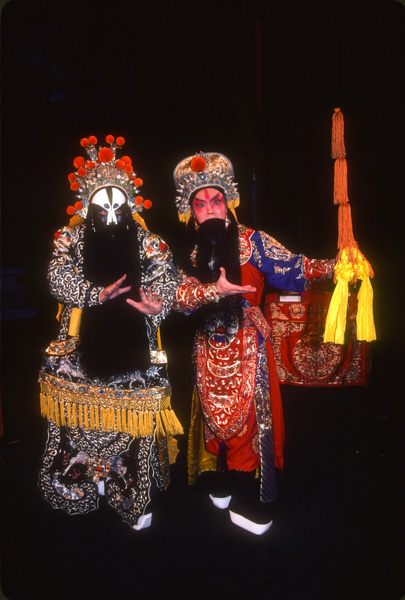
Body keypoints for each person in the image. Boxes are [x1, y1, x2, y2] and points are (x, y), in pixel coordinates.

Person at [171, 151, 334, 535]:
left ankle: (250, 496)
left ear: (228, 201)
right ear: (190, 210)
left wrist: (336, 265)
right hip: (207, 347)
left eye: (216, 200)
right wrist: (210, 292)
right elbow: (178, 296)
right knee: (213, 419)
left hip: (247, 344)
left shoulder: (253, 243)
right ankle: (221, 482)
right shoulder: (190, 251)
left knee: (247, 419)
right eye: (200, 204)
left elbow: (295, 268)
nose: (210, 209)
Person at [38, 134, 182, 530]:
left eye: (118, 204)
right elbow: (56, 274)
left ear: (130, 203)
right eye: (103, 204)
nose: (112, 213)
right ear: (88, 204)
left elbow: (166, 276)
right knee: (77, 421)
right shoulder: (71, 237)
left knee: (132, 426)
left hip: (136, 346)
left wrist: (159, 304)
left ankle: (130, 489)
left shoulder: (149, 242)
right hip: (80, 345)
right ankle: (82, 481)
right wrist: (93, 294)